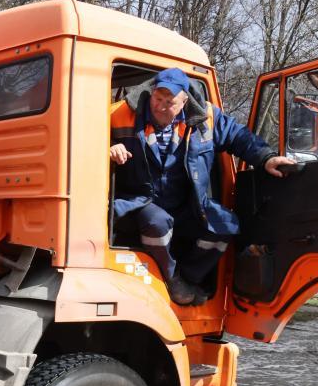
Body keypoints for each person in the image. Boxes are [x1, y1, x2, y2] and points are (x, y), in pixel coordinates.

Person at [110, 68, 296, 305]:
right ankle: (171, 277)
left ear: (185, 101)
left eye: (170, 102)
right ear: (151, 92)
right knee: (157, 222)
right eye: (158, 99)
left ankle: (186, 277)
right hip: (141, 201)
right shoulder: (121, 113)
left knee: (225, 225)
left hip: (186, 202)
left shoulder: (206, 117)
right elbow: (85, 136)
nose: (161, 106)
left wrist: (266, 157)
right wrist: (110, 147)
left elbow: (237, 136)